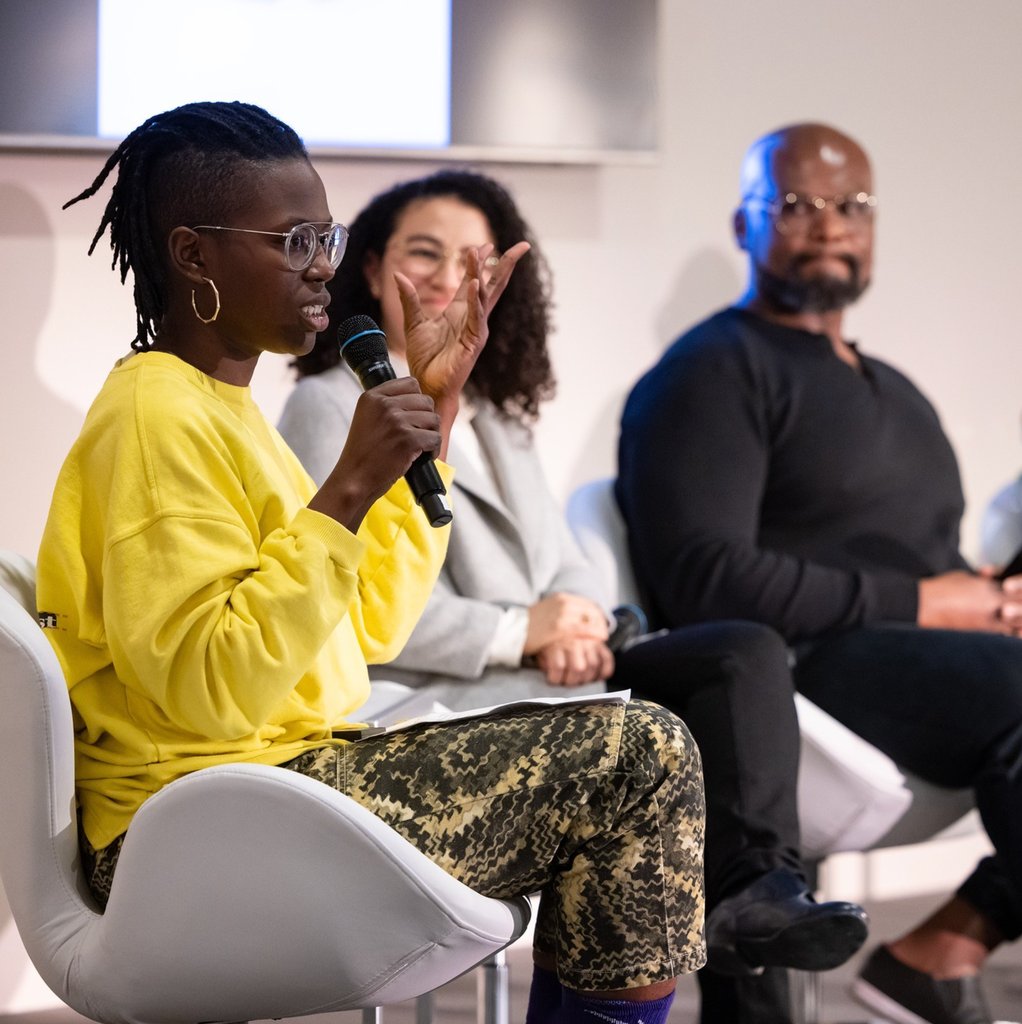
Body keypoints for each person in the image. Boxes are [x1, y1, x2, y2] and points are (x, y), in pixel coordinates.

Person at [35, 100, 711, 1024]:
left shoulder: (219, 408)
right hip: (198, 828)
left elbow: (369, 629)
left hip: (279, 786)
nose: (323, 264)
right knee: (639, 756)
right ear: (194, 255)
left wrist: (431, 427)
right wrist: (346, 486)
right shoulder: (154, 417)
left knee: (633, 752)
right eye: (293, 240)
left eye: (327, 234)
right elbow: (207, 685)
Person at [278, 168, 869, 1022]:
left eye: (470, 257)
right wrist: (526, 632)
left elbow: (568, 557)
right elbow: (352, 606)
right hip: (452, 688)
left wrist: (583, 619)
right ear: (370, 269)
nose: (449, 275)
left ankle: (758, 892)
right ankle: (744, 952)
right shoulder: (330, 407)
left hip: (556, 665)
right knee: (665, 753)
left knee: (740, 653)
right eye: (423, 252)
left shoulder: (498, 416)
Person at [617, 121, 1022, 1024]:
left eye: (853, 205)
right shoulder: (714, 371)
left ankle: (947, 942)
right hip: (811, 669)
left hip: (925, 659)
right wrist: (924, 601)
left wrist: (988, 600)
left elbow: (923, 551)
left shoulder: (897, 392)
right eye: (797, 204)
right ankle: (943, 949)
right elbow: (703, 577)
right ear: (742, 224)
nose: (831, 225)